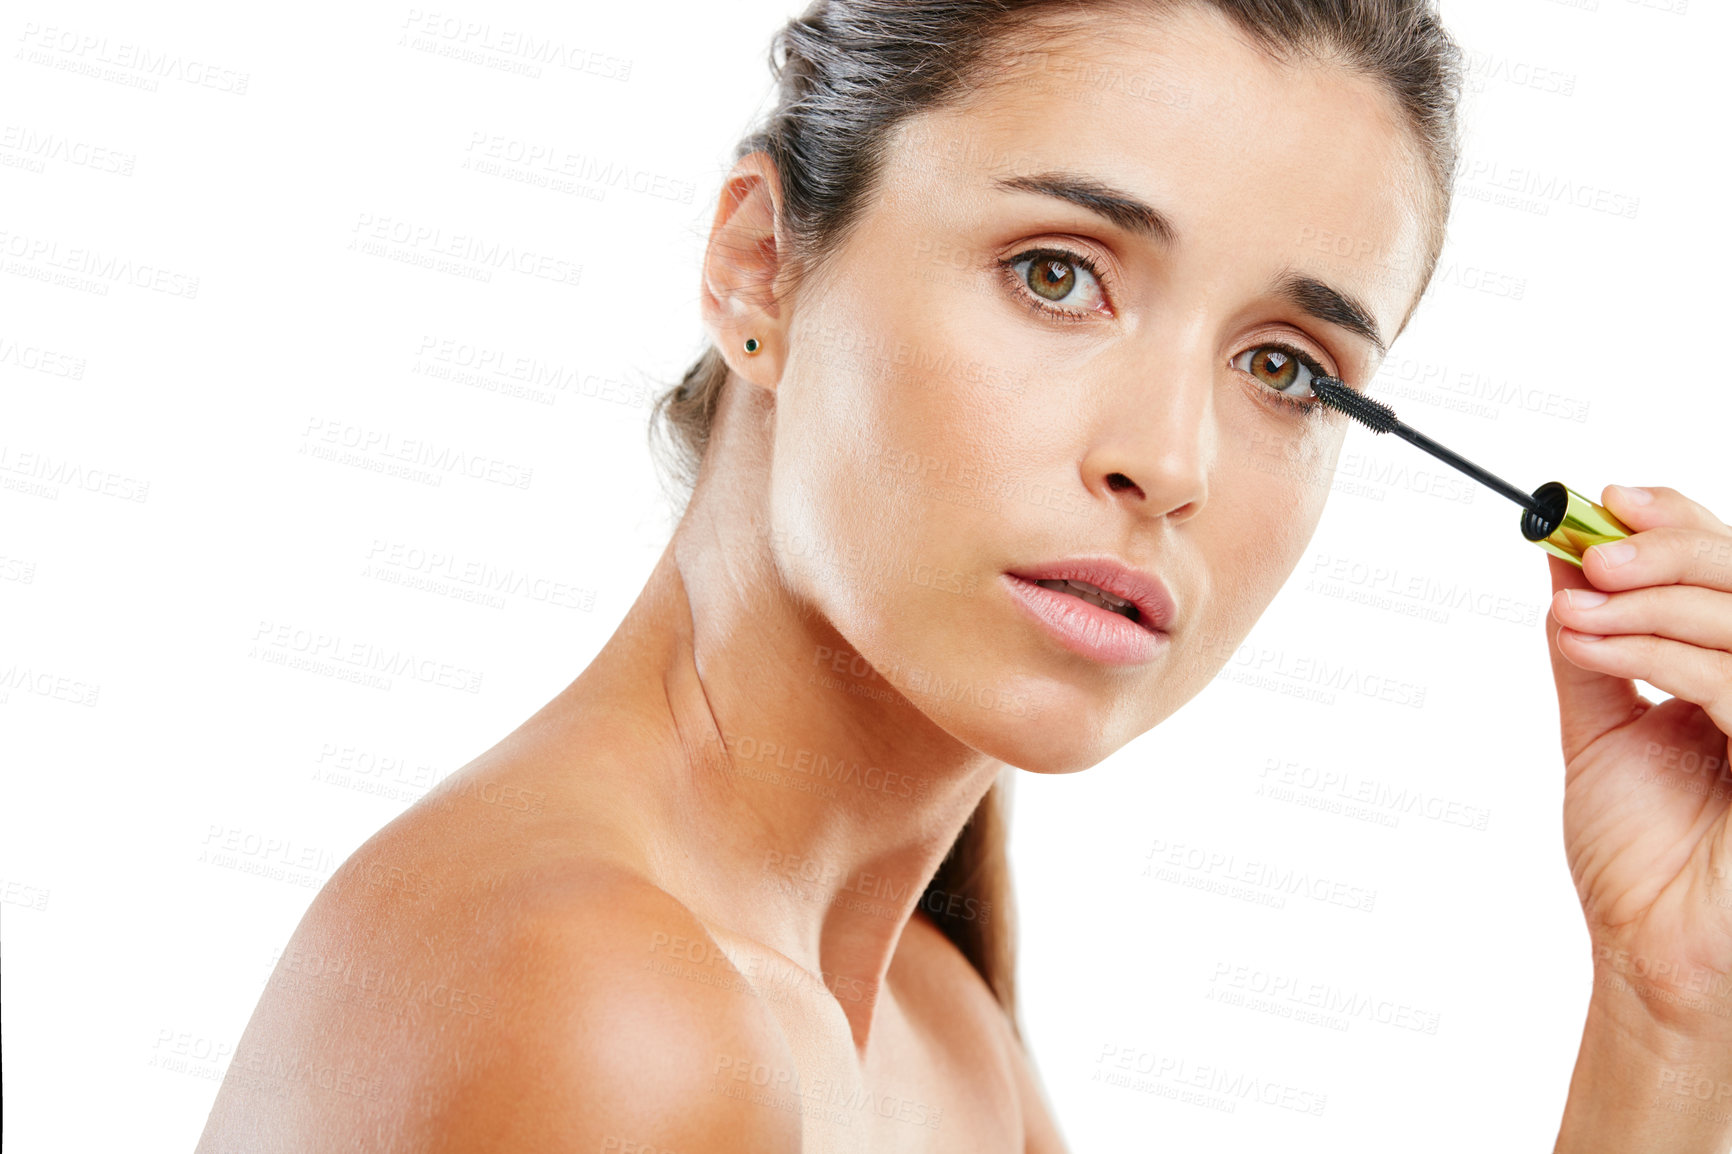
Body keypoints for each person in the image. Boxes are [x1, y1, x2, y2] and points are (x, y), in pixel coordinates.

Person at [196, 1, 1732, 1150]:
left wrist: (1670, 1001)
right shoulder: (611, 1010)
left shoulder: (934, 1034)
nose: (1169, 456)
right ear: (760, 265)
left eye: (1285, 367)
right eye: (1056, 272)